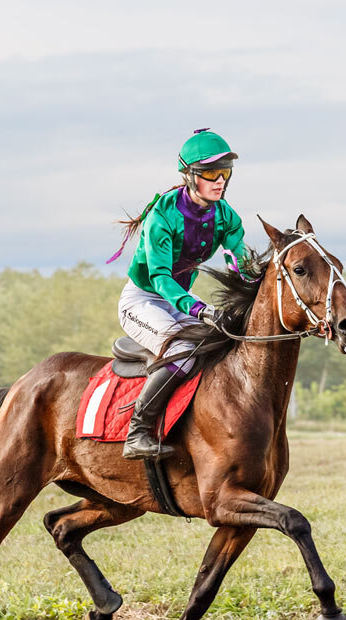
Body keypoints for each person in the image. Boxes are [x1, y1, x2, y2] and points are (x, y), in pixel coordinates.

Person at [111, 129, 249, 459]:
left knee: (222, 342)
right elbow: (160, 279)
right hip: (142, 300)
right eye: (211, 174)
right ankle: (137, 432)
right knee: (185, 349)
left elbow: (239, 263)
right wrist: (200, 309)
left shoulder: (225, 216)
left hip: (177, 303)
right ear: (189, 176)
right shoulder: (163, 216)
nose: (220, 181)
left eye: (225, 173)